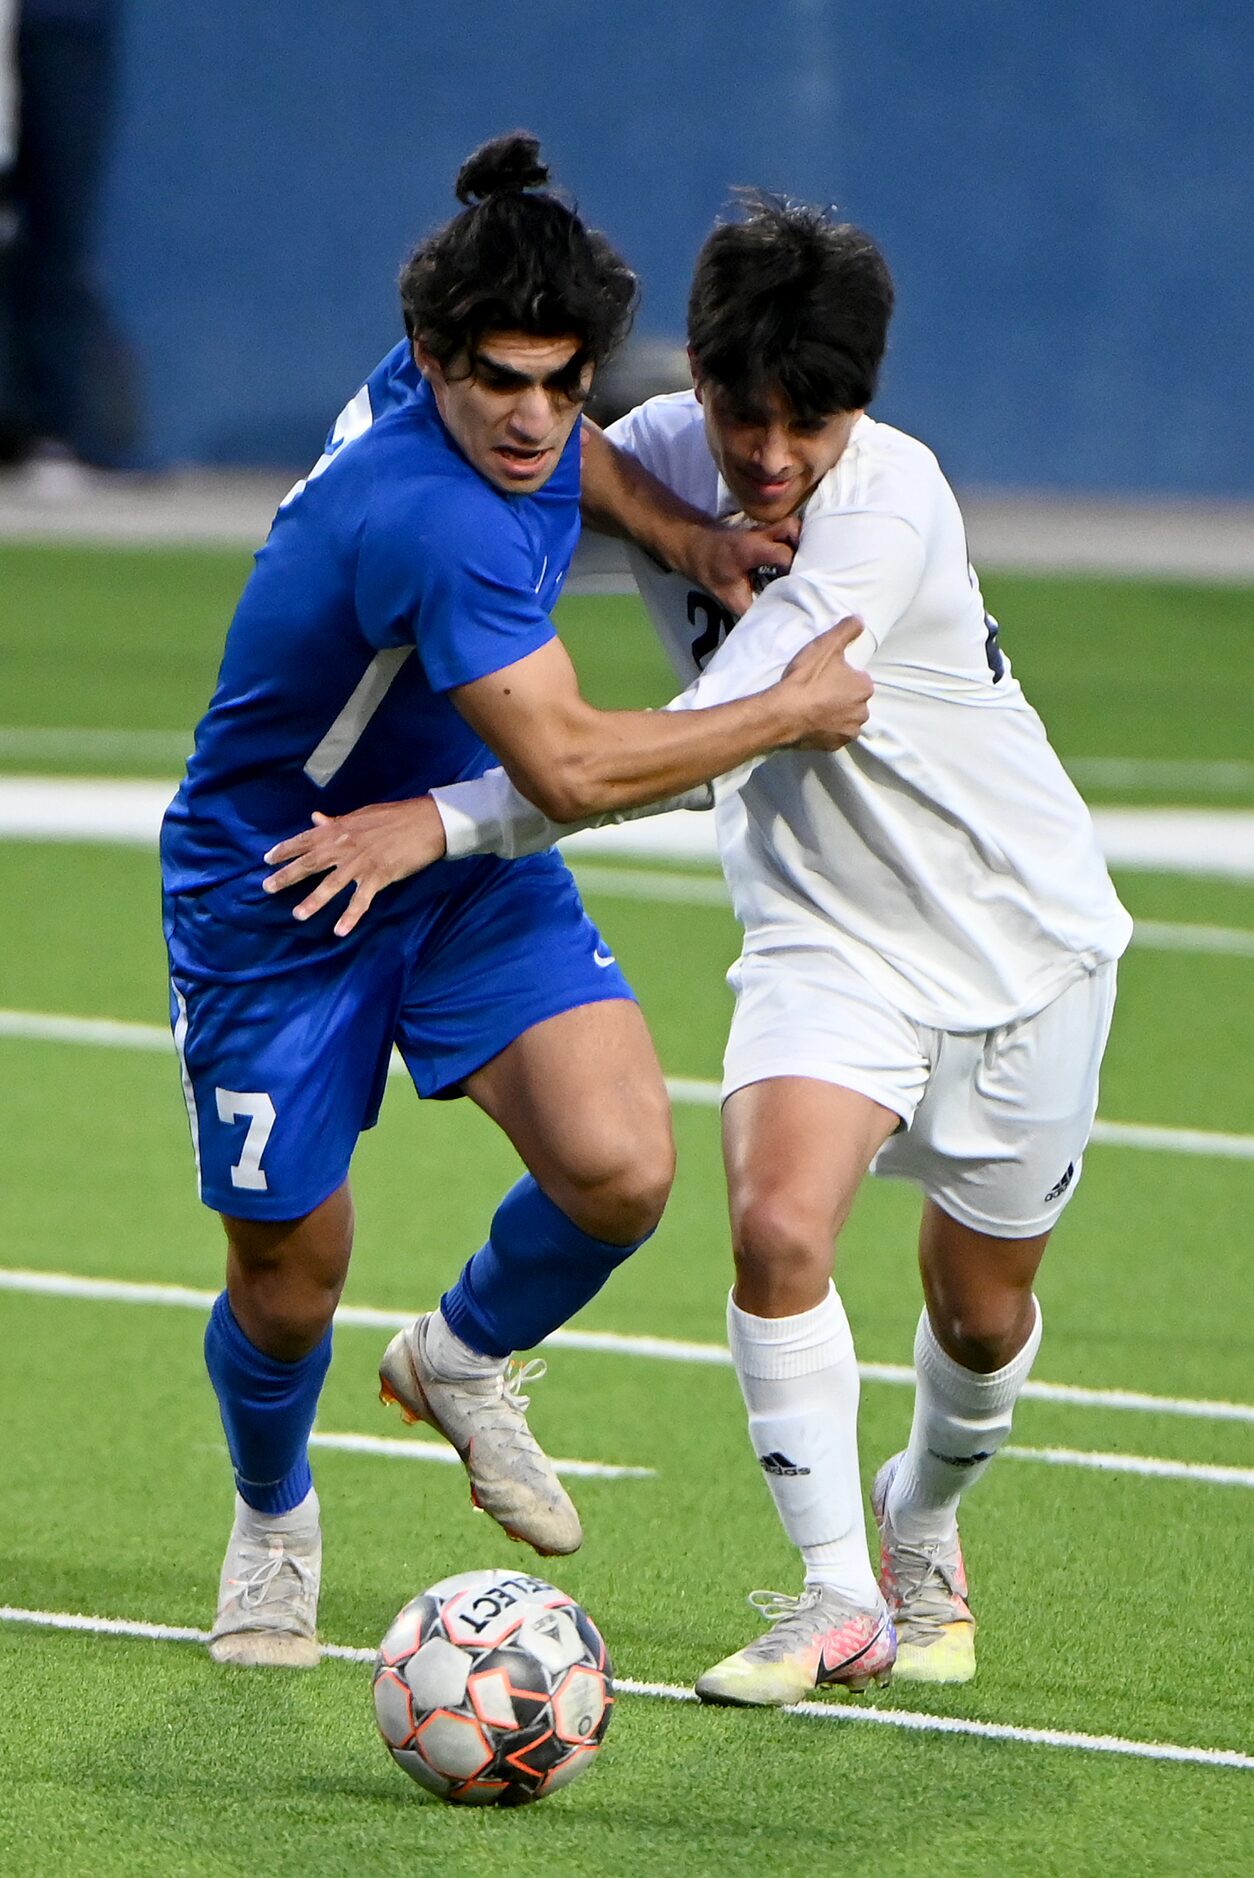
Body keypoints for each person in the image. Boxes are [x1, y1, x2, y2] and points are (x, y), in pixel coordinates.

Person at [267, 192, 1132, 1703]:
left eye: (816, 420)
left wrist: (441, 823)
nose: (775, 456)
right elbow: (527, 429)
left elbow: (670, 747)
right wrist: (662, 512)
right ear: (697, 378)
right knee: (777, 1227)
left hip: (1024, 945)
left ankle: (917, 1516)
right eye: (747, 414)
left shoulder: (886, 511)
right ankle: (835, 1596)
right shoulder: (666, 443)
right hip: (822, 941)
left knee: (979, 1319)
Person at [161, 140, 872, 1669]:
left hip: (445, 855)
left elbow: (581, 457)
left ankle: (461, 1355)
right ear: (432, 362)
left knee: (618, 1168)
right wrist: (778, 712)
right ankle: (275, 1515)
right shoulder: (435, 516)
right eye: (503, 384)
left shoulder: (502, 413)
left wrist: (676, 534)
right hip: (285, 883)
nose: (538, 418)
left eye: (567, 380)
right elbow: (569, 765)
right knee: (289, 1282)